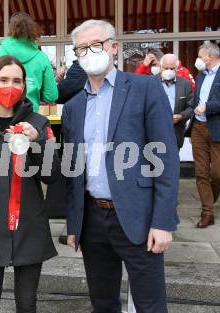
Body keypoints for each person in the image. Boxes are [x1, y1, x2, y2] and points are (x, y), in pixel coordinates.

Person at [63, 20, 180, 313]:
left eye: (97, 45)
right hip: (92, 220)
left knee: (150, 304)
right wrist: (74, 223)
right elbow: (73, 171)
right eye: (82, 48)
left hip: (138, 216)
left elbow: (165, 159)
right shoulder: (74, 106)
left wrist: (163, 221)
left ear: (114, 47)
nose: (90, 52)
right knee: (102, 303)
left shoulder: (145, 87)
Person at [0, 55, 60, 313]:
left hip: (29, 225)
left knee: (27, 302)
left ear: (24, 86)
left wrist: (38, 142)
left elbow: (51, 175)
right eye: (3, 79)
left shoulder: (38, 122)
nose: (10, 86)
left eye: (17, 81)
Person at [0, 12, 58, 112]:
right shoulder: (41, 58)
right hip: (28, 117)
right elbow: (51, 96)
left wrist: (1, 95)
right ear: (32, 29)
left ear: (10, 29)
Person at [186, 41, 220, 228]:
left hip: (216, 128)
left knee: (217, 173)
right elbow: (195, 100)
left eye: (200, 56)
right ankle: (207, 211)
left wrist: (208, 106)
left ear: (211, 56)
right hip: (199, 128)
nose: (198, 60)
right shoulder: (200, 76)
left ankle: (209, 201)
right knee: (201, 172)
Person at [158, 54, 195, 149]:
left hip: (176, 131)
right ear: (160, 67)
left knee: (173, 162)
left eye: (172, 68)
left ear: (177, 68)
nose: (168, 71)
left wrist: (181, 116)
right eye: (166, 68)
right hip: (155, 131)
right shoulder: (150, 82)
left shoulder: (186, 84)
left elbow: (191, 107)